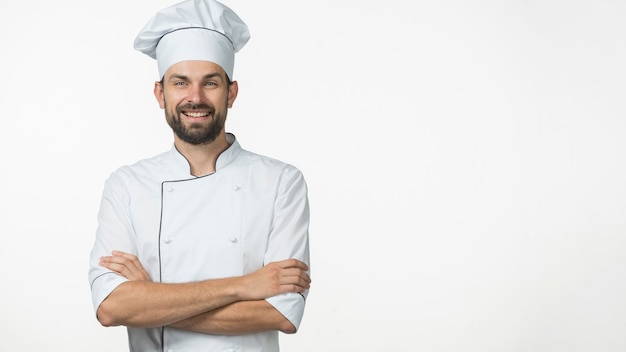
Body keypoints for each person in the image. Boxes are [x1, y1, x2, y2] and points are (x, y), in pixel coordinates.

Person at [87, 0, 311, 350]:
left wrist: (149, 300)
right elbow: (112, 308)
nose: (195, 98)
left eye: (210, 83)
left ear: (231, 93)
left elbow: (281, 314)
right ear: (161, 94)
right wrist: (242, 286)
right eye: (180, 83)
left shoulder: (281, 182)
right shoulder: (127, 186)